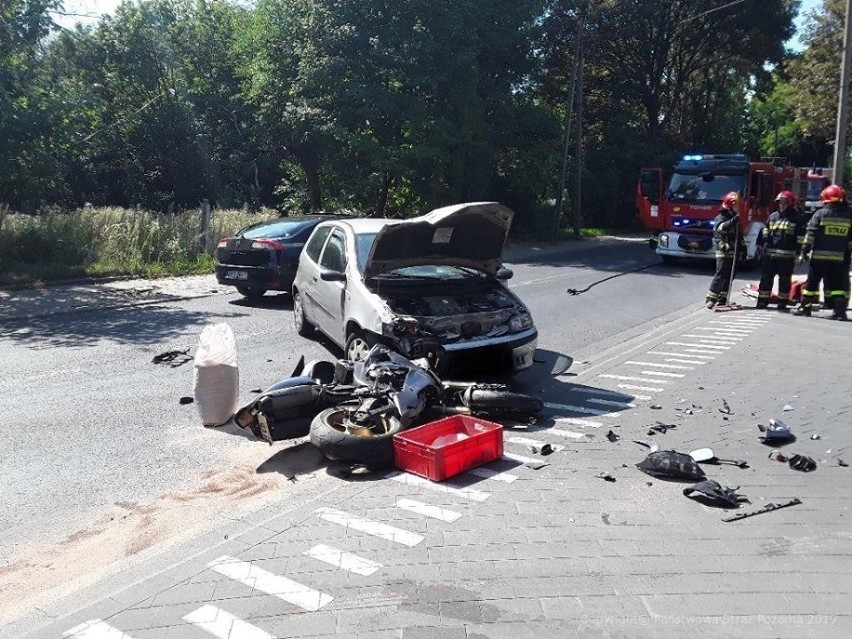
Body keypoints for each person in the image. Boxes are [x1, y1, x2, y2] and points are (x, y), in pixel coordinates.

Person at [794, 184, 852, 320]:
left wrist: (804, 251)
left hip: (819, 257)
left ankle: (805, 308)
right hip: (838, 258)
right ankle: (840, 312)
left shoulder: (820, 214)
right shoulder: (848, 215)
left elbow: (810, 235)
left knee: (812, 284)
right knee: (837, 285)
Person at [756, 191, 806, 310]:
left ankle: (782, 302)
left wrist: (800, 253)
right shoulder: (773, 216)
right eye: (780, 203)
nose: (781, 205)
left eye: (784, 203)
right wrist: (761, 243)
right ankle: (762, 301)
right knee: (766, 279)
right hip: (770, 255)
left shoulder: (797, 219)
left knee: (784, 280)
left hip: (787, 256)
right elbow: (765, 230)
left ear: (790, 204)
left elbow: (801, 238)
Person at [705, 191, 743, 309]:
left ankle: (723, 298)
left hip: (735, 252)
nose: (738, 207)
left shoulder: (734, 218)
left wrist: (743, 250)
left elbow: (739, 235)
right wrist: (734, 220)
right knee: (721, 275)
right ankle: (711, 299)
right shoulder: (721, 217)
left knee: (730, 276)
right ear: (730, 205)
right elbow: (721, 229)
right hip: (724, 251)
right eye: (735, 204)